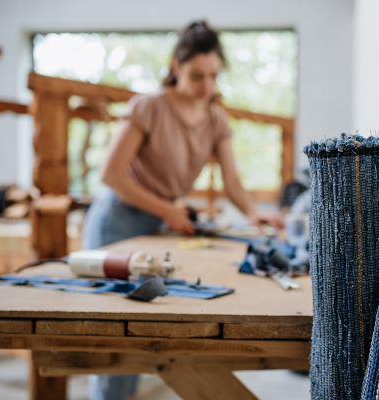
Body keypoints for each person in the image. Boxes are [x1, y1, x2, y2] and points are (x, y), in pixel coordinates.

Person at [83, 21, 284, 400]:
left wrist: (253, 214)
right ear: (176, 66)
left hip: (158, 222)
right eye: (196, 75)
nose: (206, 85)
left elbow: (233, 183)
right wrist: (168, 210)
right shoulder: (148, 106)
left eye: (213, 76)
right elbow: (110, 173)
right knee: (113, 333)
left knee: (143, 321)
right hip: (117, 221)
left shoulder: (216, 120)